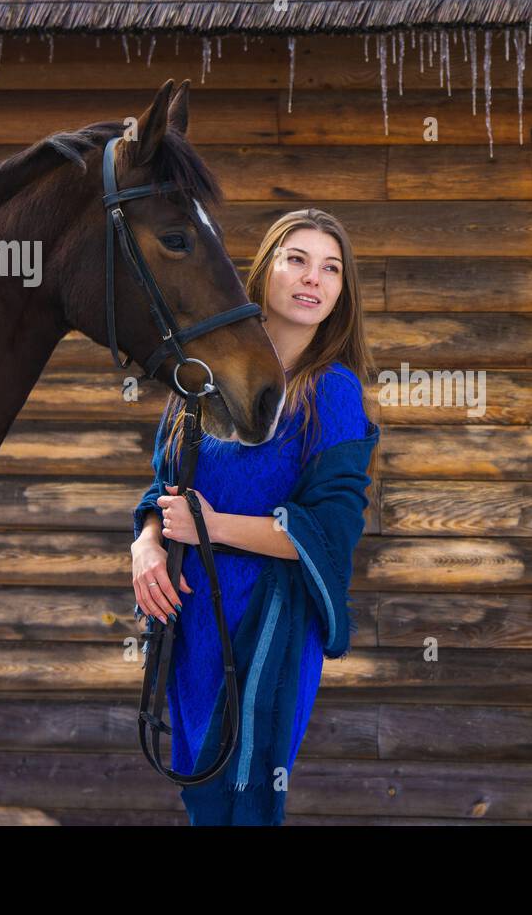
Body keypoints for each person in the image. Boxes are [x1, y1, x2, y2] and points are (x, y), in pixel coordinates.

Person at [130, 208, 379, 825]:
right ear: (265, 269)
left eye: (330, 269)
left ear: (341, 293)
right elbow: (164, 486)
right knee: (202, 796)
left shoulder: (333, 392)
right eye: (297, 259)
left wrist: (210, 528)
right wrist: (147, 543)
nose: (312, 279)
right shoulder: (202, 377)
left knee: (244, 800)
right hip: (193, 624)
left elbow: (329, 531)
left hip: (270, 625)